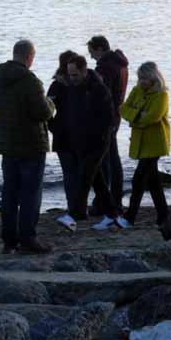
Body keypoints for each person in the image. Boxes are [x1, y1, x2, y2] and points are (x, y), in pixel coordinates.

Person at [0, 39, 55, 254]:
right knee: (30, 194)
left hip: (7, 144)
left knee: (9, 193)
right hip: (31, 145)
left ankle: (9, 241)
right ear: (29, 56)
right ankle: (28, 239)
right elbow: (42, 112)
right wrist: (51, 103)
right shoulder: (30, 80)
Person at [61, 55, 120, 232]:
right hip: (79, 141)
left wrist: (99, 135)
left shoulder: (99, 89)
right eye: (70, 74)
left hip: (98, 141)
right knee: (97, 180)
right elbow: (71, 114)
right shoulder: (73, 88)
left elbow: (108, 118)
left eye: (75, 74)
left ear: (84, 71)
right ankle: (112, 214)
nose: (72, 78)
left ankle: (74, 215)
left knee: (85, 177)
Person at [119, 62, 171, 227]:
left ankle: (130, 216)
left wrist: (134, 117)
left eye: (145, 78)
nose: (142, 81)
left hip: (155, 143)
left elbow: (153, 117)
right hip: (140, 141)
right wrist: (138, 115)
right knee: (153, 181)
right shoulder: (137, 91)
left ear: (154, 78)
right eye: (140, 78)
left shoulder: (162, 95)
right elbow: (123, 109)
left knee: (139, 179)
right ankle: (164, 215)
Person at [87, 36, 129, 213]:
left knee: (105, 160)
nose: (91, 56)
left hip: (106, 119)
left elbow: (102, 95)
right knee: (112, 159)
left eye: (91, 52)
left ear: (99, 49)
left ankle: (106, 201)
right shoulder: (120, 64)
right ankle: (114, 199)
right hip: (116, 116)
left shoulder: (105, 68)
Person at [47, 50, 79, 227]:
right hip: (75, 134)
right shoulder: (79, 83)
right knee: (79, 172)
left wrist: (53, 126)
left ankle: (73, 207)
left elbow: (47, 110)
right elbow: (47, 110)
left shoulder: (57, 85)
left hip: (63, 134)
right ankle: (77, 207)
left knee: (70, 173)